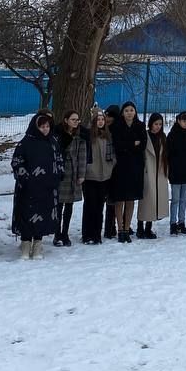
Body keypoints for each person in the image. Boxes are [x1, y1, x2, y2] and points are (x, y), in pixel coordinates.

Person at [11, 112, 64, 259]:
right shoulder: (26, 142)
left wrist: (58, 175)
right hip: (28, 188)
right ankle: (25, 244)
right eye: (42, 127)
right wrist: (25, 178)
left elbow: (59, 160)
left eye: (47, 126)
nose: (45, 129)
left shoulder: (53, 142)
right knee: (26, 215)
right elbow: (17, 161)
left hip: (47, 188)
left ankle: (38, 245)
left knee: (43, 215)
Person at [109, 102, 145, 244]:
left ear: (135, 112)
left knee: (131, 199)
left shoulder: (140, 126)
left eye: (132, 110)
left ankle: (127, 228)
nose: (129, 113)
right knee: (120, 199)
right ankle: (120, 229)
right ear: (122, 113)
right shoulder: (117, 126)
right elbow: (118, 145)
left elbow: (142, 145)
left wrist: (128, 145)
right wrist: (132, 144)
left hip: (135, 167)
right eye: (126, 110)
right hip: (120, 167)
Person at [81, 108, 114, 244]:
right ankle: (87, 234)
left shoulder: (107, 136)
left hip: (104, 176)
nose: (100, 122)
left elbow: (112, 155)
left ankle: (96, 234)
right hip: (90, 176)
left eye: (102, 120)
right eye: (98, 120)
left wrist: (110, 166)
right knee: (90, 205)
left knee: (100, 206)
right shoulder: (88, 136)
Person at [54, 110, 86, 247]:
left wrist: (81, 174)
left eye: (77, 120)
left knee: (69, 205)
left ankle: (65, 233)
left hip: (73, 172)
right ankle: (57, 234)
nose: (75, 122)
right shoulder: (58, 134)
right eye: (73, 119)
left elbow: (82, 156)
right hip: (61, 172)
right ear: (66, 120)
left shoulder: (80, 136)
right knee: (58, 205)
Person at [138, 113, 168, 239]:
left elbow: (165, 154)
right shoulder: (145, 135)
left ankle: (148, 228)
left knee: (154, 200)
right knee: (145, 200)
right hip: (147, 170)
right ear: (151, 124)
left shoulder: (162, 137)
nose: (158, 126)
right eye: (156, 124)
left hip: (159, 171)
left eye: (160, 124)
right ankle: (140, 227)